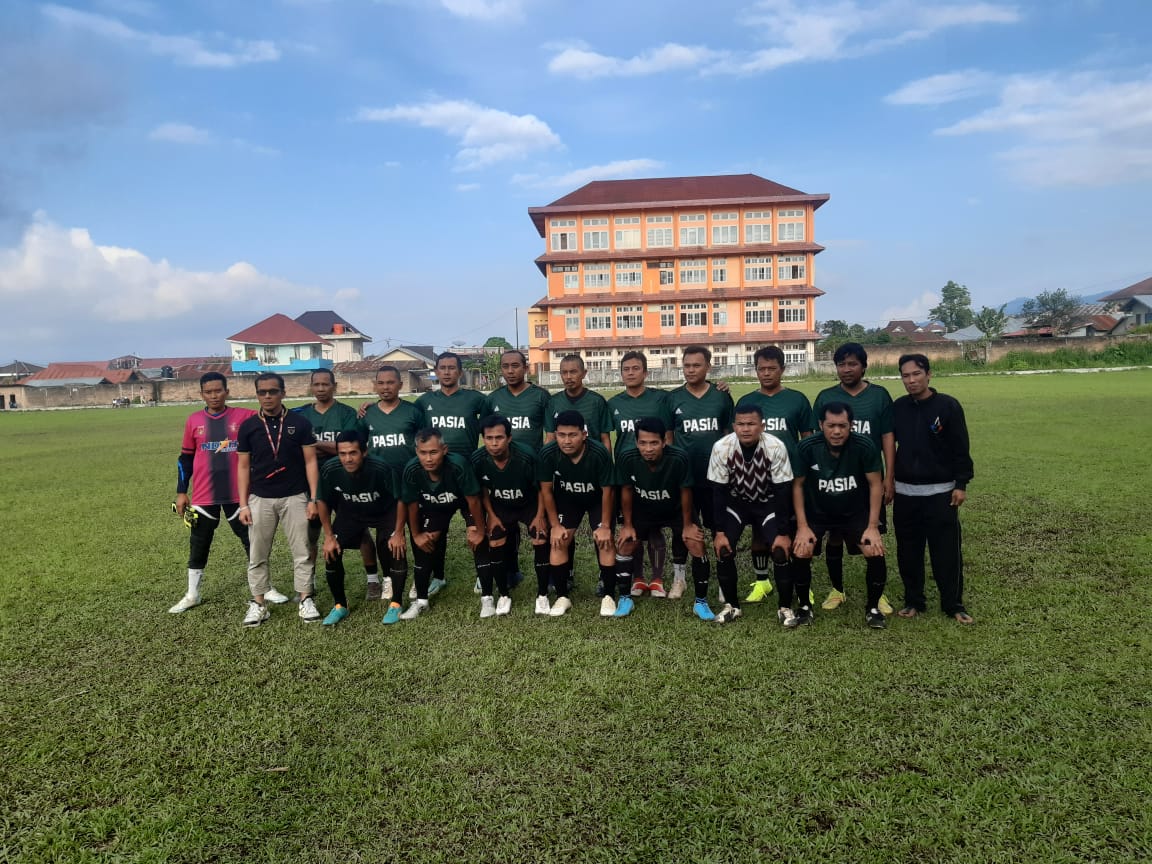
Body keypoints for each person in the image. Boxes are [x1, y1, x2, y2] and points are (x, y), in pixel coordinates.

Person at [169, 373, 290, 613]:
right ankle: (192, 594)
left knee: (252, 542)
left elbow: (276, 414)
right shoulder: (194, 420)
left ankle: (265, 588)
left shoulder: (244, 416)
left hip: (240, 495)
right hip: (204, 495)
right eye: (208, 392)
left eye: (218, 391)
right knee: (199, 543)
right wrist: (181, 491)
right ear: (202, 394)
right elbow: (185, 458)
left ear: (227, 391)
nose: (214, 396)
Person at [813, 342, 895, 615]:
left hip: (869, 482)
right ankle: (837, 589)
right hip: (835, 481)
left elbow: (887, 437)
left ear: (864, 366)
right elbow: (817, 441)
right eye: (841, 364)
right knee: (834, 536)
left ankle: (878, 594)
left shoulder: (879, 396)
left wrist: (889, 476)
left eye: (852, 364)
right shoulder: (826, 397)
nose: (847, 369)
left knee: (872, 537)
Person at [892, 354, 974, 624]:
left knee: (946, 553)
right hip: (905, 494)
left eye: (916, 374)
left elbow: (960, 447)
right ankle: (914, 601)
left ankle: (953, 604)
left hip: (941, 494)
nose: (911, 380)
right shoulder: (899, 407)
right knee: (908, 552)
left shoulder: (948, 406)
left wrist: (961, 483)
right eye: (905, 375)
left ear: (928, 374)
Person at [791, 402, 889, 629]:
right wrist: (802, 527)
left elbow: (875, 484)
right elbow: (797, 486)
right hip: (818, 512)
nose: (836, 431)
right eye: (831, 425)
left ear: (851, 425)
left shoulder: (864, 445)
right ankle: (804, 606)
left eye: (842, 426)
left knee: (874, 550)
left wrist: (872, 526)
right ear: (820, 425)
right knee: (801, 550)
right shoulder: (807, 447)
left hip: (853, 512)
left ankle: (873, 608)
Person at [236, 373, 321, 627]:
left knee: (302, 551)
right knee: (257, 554)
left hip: (295, 496)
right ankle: (259, 604)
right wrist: (243, 504)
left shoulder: (299, 423)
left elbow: (311, 462)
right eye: (262, 392)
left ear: (283, 393)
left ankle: (305, 599)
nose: (267, 396)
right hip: (260, 498)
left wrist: (313, 498)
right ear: (257, 395)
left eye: (273, 391)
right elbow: (243, 467)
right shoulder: (248, 427)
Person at [734, 345, 816, 604]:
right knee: (758, 532)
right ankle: (762, 582)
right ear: (755, 370)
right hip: (756, 479)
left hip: (789, 479)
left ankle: (801, 583)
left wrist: (807, 473)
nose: (766, 373)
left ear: (783, 369)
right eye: (762, 369)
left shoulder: (797, 400)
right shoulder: (747, 402)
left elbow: (807, 439)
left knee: (790, 532)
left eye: (772, 368)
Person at [615, 418, 711, 620]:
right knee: (625, 544)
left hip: (676, 509)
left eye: (654, 443)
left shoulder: (679, 457)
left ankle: (701, 602)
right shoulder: (627, 457)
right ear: (636, 442)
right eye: (643, 443)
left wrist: (687, 525)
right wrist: (627, 525)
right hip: (644, 510)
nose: (648, 448)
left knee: (695, 542)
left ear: (664, 441)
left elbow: (686, 491)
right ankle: (625, 599)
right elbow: (626, 490)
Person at [706, 404, 794, 624]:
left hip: (767, 503)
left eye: (751, 424)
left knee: (780, 551)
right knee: (723, 549)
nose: (745, 429)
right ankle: (732, 606)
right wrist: (719, 532)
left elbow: (783, 491)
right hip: (736, 504)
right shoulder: (721, 447)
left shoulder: (775, 446)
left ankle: (785, 608)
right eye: (741, 424)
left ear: (762, 426)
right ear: (734, 426)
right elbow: (718, 492)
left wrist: (783, 533)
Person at [293, 370, 377, 598]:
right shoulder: (302, 415)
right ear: (311, 386)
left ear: (334, 386)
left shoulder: (347, 414)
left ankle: (373, 580)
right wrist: (327, 446)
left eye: (325, 384)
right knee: (309, 534)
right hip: (311, 482)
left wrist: (313, 443)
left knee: (359, 529)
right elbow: (298, 448)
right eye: (316, 384)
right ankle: (307, 584)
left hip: (344, 480)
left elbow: (348, 448)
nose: (321, 389)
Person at [315, 432, 408, 626]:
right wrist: (329, 536)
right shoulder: (330, 469)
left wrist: (399, 532)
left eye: (353, 453)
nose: (348, 459)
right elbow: (322, 500)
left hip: (384, 512)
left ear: (364, 452)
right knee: (331, 551)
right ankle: (340, 605)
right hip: (351, 514)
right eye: (342, 453)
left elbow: (401, 499)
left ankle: (396, 603)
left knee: (395, 548)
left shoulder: (381, 467)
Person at [667, 345, 734, 601]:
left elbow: (729, 435)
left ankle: (723, 580)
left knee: (719, 527)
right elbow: (669, 438)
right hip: (685, 479)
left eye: (696, 365)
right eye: (686, 365)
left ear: (708, 367)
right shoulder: (673, 398)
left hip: (716, 477)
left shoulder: (721, 396)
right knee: (682, 527)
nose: (691, 370)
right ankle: (679, 578)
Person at [398, 428, 486, 620]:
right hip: (436, 505)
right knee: (426, 543)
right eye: (423, 453)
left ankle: (486, 593)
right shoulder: (412, 469)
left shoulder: (458, 465)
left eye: (433, 452)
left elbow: (473, 501)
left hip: (463, 501)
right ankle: (421, 601)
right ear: (416, 451)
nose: (428, 458)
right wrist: (416, 535)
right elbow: (411, 504)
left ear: (444, 450)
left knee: (476, 538)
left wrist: (479, 530)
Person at [607, 351, 675, 596]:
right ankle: (637, 578)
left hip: (655, 473)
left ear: (645, 372)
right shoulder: (613, 404)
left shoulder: (660, 399)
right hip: (626, 475)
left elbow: (669, 436)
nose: (631, 373)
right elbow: (606, 438)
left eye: (636, 368)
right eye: (626, 369)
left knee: (655, 528)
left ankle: (657, 579)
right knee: (631, 525)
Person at [537, 410, 616, 617]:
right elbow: (546, 491)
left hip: (597, 499)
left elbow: (608, 491)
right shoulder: (548, 453)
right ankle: (562, 597)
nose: (567, 441)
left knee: (605, 541)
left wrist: (605, 525)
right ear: (555, 434)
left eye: (572, 435)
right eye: (562, 435)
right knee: (559, 540)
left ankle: (609, 596)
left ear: (584, 434)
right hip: (567, 499)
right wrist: (555, 525)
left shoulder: (599, 453)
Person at [470, 415, 550, 618]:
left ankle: (542, 595)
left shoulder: (527, 456)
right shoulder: (478, 459)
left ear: (509, 438)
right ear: (483, 439)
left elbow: (542, 488)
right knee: (495, 541)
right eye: (489, 438)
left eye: (499, 437)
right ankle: (504, 595)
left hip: (529, 504)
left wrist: (540, 515)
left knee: (540, 537)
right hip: (500, 505)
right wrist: (491, 515)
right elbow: (482, 490)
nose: (494, 443)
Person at [483, 350, 550, 589]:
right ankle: (510, 572)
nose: (510, 371)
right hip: (502, 473)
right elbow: (486, 430)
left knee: (540, 524)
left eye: (515, 366)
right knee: (506, 526)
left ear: (526, 368)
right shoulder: (493, 399)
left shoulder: (540, 396)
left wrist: (543, 462)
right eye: (505, 366)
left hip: (531, 472)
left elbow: (550, 433)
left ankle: (549, 575)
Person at [358, 364, 423, 600]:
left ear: (400, 384)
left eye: (391, 382)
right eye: (381, 383)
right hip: (381, 484)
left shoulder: (413, 412)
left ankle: (419, 577)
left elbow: (424, 443)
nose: (386, 387)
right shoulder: (366, 415)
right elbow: (360, 448)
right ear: (375, 385)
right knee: (385, 533)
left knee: (417, 530)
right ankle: (388, 578)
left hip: (411, 480)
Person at [415, 351, 489, 456]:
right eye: (442, 368)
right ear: (436, 372)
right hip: (435, 462)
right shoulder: (424, 400)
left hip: (466, 462)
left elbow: (493, 422)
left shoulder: (475, 398)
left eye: (451, 368)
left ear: (460, 372)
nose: (446, 372)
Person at [544, 354, 613, 451]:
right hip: (562, 459)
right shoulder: (553, 402)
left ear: (584, 373)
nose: (568, 377)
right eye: (564, 372)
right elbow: (550, 437)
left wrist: (607, 460)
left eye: (573, 372)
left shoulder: (597, 401)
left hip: (592, 458)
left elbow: (605, 439)